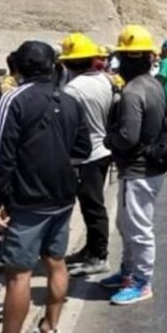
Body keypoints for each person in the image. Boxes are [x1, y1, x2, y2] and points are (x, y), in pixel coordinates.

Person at [0, 41, 91, 333]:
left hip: (28, 200)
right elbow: (81, 148)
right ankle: (49, 331)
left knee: (18, 274)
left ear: (18, 66)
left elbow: (1, 155)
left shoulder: (15, 98)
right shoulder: (68, 99)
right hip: (63, 196)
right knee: (56, 262)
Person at [100, 25, 167, 305]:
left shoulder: (132, 92)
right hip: (148, 168)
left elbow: (128, 137)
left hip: (138, 170)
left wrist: (108, 140)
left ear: (129, 59)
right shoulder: (154, 85)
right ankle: (127, 272)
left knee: (137, 228)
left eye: (121, 58)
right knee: (126, 224)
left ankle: (141, 282)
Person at [57, 34, 114, 278]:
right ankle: (90, 249)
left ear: (68, 63)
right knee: (93, 204)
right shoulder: (104, 80)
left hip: (85, 157)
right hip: (102, 150)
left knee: (92, 207)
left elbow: (67, 126)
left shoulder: (72, 90)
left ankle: (99, 256)